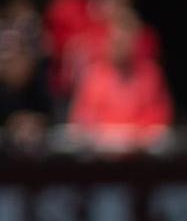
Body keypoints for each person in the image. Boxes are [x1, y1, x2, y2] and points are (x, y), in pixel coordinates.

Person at [70, 19, 173, 152]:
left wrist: (135, 136)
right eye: (117, 42)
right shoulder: (93, 74)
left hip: (140, 144)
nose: (121, 47)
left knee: (164, 140)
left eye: (126, 42)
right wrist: (107, 137)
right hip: (102, 145)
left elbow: (159, 112)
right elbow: (83, 115)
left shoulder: (150, 73)